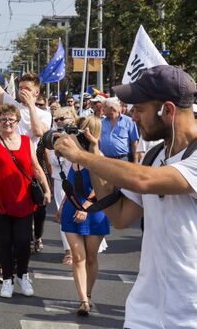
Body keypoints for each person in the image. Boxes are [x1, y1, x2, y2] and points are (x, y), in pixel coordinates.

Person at [53, 65, 197, 328]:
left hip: (189, 313)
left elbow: (143, 180)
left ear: (168, 110)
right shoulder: (155, 157)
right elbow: (119, 216)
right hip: (145, 310)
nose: (132, 115)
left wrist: (80, 156)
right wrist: (93, 156)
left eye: (139, 109)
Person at [0, 104, 51, 298]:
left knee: (22, 241)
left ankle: (22, 275)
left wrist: (46, 188)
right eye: (3, 119)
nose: (7, 123)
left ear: (17, 122)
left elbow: (36, 168)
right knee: (5, 241)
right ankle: (8, 280)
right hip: (0, 201)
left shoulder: (27, 141)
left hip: (24, 200)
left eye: (11, 119)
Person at [58, 116, 110, 316]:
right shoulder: (73, 157)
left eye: (83, 132)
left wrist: (85, 207)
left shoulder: (98, 155)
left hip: (94, 212)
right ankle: (83, 301)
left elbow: (102, 187)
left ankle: (88, 294)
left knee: (90, 257)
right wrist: (63, 206)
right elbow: (69, 184)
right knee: (78, 257)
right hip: (72, 210)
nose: (78, 135)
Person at [0, 42, 51, 146]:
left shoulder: (45, 114)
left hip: (28, 158)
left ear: (36, 92)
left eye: (27, 89)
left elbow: (39, 132)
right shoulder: (13, 105)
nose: (22, 91)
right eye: (21, 88)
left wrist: (31, 105)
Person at [47, 106, 76, 265]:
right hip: (60, 180)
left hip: (79, 178)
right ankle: (68, 251)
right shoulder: (53, 136)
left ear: (72, 117)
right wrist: (61, 153)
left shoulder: (80, 134)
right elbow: (52, 160)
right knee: (64, 213)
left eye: (61, 118)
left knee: (80, 211)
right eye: (56, 119)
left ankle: (82, 247)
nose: (58, 122)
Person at [99, 97, 139, 162]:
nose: (102, 109)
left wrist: (136, 161)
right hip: (105, 160)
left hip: (123, 160)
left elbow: (134, 142)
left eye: (104, 107)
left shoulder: (129, 121)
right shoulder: (101, 122)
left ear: (111, 108)